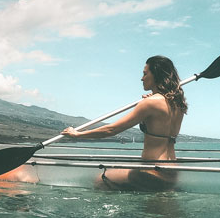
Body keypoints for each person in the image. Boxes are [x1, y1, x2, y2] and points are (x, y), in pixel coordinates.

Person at [62, 55, 186, 190]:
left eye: (145, 74)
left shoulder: (150, 103)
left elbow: (111, 130)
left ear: (156, 75)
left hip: (152, 170)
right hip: (172, 171)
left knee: (100, 180)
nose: (141, 78)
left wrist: (77, 135)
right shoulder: (178, 104)